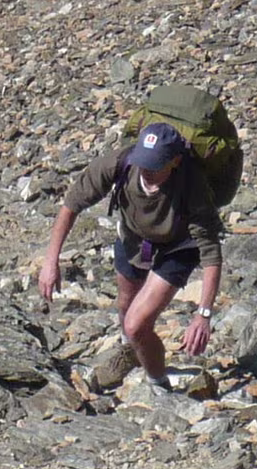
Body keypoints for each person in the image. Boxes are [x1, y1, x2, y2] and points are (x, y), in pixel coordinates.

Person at [38, 121, 223, 393]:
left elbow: (211, 253)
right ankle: (132, 353)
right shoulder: (120, 163)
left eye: (155, 165)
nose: (146, 170)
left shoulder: (192, 185)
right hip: (133, 238)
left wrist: (203, 315)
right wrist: (50, 261)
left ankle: (158, 385)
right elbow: (72, 204)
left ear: (175, 161)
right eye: (143, 162)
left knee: (136, 324)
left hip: (178, 248)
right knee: (125, 305)